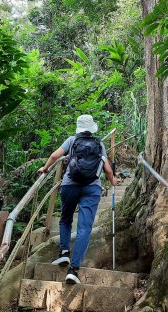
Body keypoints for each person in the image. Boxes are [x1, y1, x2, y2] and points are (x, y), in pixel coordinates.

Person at [38, 114, 118, 284]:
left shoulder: (72, 140)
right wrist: (113, 181)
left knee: (65, 219)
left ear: (79, 127)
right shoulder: (99, 144)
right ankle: (73, 270)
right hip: (92, 188)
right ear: (92, 128)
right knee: (84, 229)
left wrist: (45, 169)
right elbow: (108, 169)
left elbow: (54, 156)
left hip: (70, 185)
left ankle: (64, 253)